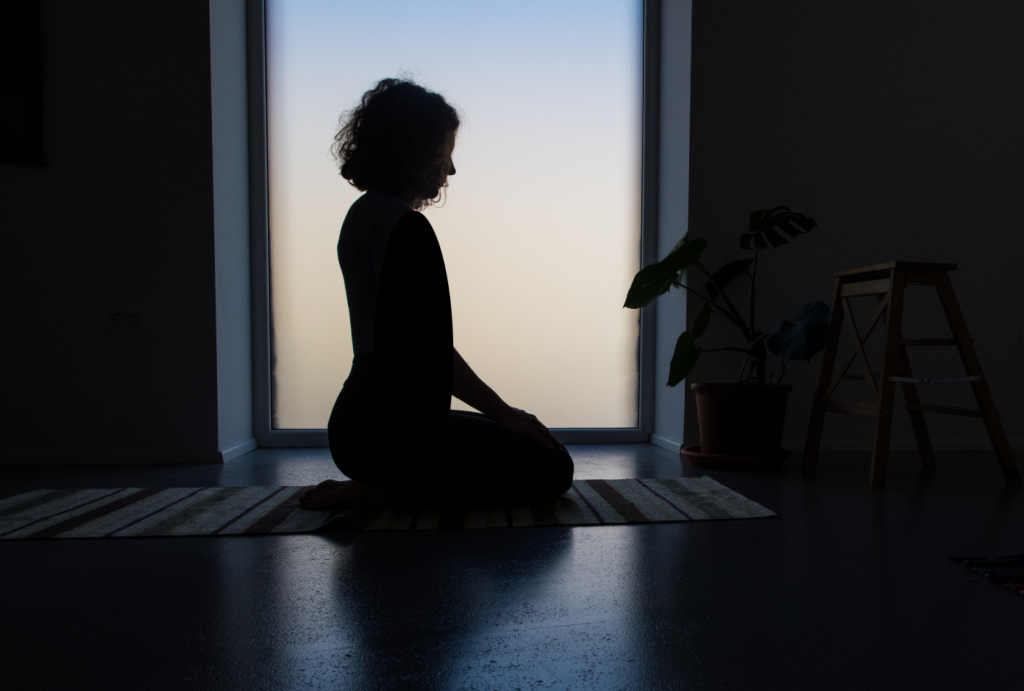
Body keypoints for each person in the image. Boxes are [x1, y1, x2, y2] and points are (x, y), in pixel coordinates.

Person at [301, 78, 574, 510]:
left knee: (520, 451)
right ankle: (383, 488)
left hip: (365, 424)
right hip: (385, 428)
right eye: (444, 152)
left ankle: (382, 483)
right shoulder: (400, 224)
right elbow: (426, 349)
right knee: (553, 466)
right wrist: (503, 414)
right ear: (414, 149)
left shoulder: (365, 213)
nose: (450, 169)